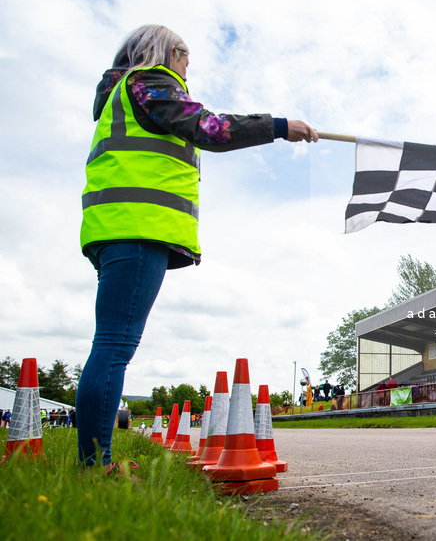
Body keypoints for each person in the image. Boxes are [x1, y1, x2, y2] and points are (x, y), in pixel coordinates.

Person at [75, 24, 318, 467]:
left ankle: (95, 462)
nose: (188, 70)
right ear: (170, 51)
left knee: (110, 343)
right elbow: (212, 129)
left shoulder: (119, 94)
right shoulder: (150, 84)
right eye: (186, 59)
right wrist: (281, 127)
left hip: (114, 226)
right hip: (137, 226)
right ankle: (96, 466)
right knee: (114, 346)